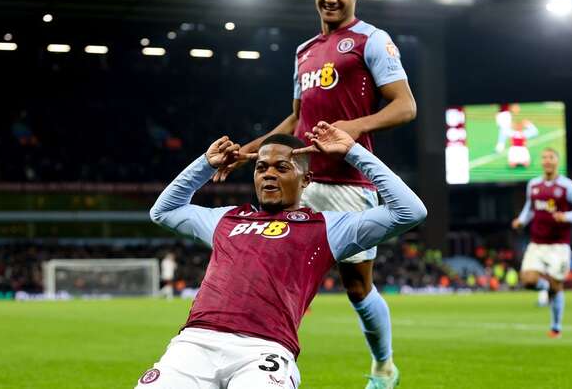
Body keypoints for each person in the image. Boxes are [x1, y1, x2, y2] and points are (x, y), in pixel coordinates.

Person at [213, 0, 416, 388]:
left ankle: (384, 365)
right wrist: (248, 152)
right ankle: (263, 357)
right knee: (273, 271)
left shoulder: (371, 41)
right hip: (300, 180)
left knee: (358, 289)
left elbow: (405, 106)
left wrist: (352, 127)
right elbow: (295, 122)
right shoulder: (304, 51)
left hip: (348, 182)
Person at [136, 122, 426, 389]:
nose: (269, 174)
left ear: (306, 179)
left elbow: (410, 211)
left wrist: (353, 152)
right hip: (195, 343)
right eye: (261, 168)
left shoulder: (326, 227)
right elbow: (163, 211)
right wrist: (204, 165)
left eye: (282, 167)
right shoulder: (227, 219)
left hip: (263, 351)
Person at [511, 148, 572, 338]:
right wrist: (521, 220)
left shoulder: (567, 186)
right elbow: (530, 209)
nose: (547, 161)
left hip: (558, 245)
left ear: (557, 161)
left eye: (551, 157)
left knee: (558, 287)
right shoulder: (533, 185)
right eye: (544, 158)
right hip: (537, 244)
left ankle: (556, 327)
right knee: (528, 279)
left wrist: (567, 216)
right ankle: (546, 288)